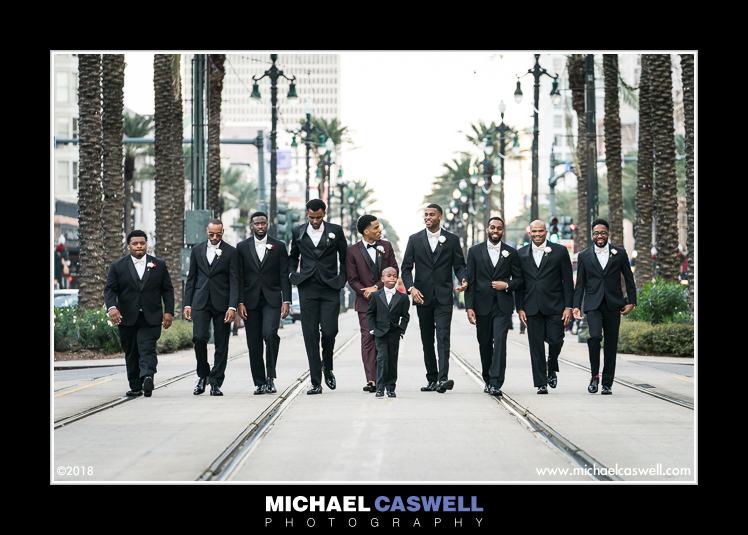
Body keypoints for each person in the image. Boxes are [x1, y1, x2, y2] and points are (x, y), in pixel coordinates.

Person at [401, 203, 468, 394]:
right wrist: (411, 288)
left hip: (444, 296)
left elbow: (460, 265)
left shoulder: (452, 240)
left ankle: (443, 378)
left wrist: (464, 279)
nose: (427, 217)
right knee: (427, 339)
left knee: (443, 337)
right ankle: (431, 378)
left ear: (440, 216)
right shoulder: (414, 239)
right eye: (426, 215)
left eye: (431, 214)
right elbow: (406, 268)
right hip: (422, 297)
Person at [105, 230, 174, 398]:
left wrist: (169, 312)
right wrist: (112, 308)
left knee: (147, 347)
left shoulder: (159, 265)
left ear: (146, 244)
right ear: (128, 246)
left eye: (142, 243)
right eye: (135, 244)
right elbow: (110, 290)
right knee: (131, 351)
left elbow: (167, 290)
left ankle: (148, 376)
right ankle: (135, 386)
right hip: (127, 317)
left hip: (151, 317)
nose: (139, 246)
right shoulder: (117, 266)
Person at [289, 199, 348, 395]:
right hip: (307, 288)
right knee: (310, 335)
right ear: (307, 214)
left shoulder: (336, 230)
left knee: (330, 331)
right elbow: (293, 256)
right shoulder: (297, 231)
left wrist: (342, 279)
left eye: (319, 217)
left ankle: (328, 366)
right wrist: (292, 275)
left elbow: (345, 257)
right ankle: (315, 381)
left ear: (324, 213)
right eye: (312, 217)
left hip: (330, 287)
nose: (315, 221)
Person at [573, 218, 637, 395]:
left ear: (608, 234)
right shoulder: (584, 255)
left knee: (611, 344)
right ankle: (594, 376)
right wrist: (575, 306)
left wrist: (631, 301)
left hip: (613, 304)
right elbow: (580, 284)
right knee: (594, 337)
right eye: (596, 233)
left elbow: (629, 279)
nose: (599, 236)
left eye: (602, 232)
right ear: (592, 235)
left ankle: (607, 383)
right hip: (593, 304)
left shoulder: (620, 253)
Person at [465, 217, 522, 397]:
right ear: (487, 229)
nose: (496, 231)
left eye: (499, 228)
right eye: (492, 228)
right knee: (484, 344)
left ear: (503, 231)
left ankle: (496, 382)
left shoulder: (511, 253)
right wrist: (469, 306)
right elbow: (470, 281)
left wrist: (506, 285)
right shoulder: (474, 251)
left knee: (500, 342)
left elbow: (520, 279)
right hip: (481, 305)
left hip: (503, 306)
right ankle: (487, 379)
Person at [515, 220, 574, 394]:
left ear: (546, 232)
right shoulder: (521, 254)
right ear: (529, 233)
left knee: (556, 340)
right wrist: (520, 307)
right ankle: (541, 383)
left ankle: (552, 363)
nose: (538, 234)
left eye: (541, 231)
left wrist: (568, 306)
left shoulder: (560, 251)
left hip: (556, 305)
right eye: (534, 231)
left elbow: (567, 282)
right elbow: (519, 284)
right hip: (531, 307)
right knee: (536, 346)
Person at [237, 212, 291, 395]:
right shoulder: (242, 247)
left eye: (263, 223)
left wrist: (286, 300)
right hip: (250, 301)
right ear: (251, 225)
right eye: (257, 224)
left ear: (268, 224)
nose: (260, 227)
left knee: (269, 334)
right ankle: (259, 382)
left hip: (272, 299)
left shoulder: (279, 246)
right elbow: (239, 276)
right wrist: (240, 301)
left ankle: (271, 377)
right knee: (254, 343)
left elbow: (285, 275)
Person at [183, 219, 238, 396]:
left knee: (221, 344)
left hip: (222, 304)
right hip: (200, 302)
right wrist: (187, 303)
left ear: (223, 232)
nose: (214, 237)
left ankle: (216, 382)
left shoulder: (231, 252)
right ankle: (203, 375)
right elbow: (191, 278)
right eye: (211, 234)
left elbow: (234, 281)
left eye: (218, 234)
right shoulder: (197, 250)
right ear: (207, 231)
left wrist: (232, 306)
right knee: (199, 338)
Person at [345, 214, 399, 393]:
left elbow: (393, 271)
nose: (379, 230)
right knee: (368, 339)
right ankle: (371, 380)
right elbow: (352, 279)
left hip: (386, 302)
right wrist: (366, 292)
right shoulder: (352, 251)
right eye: (375, 227)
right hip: (365, 303)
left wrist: (376, 287)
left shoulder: (386, 246)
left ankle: (384, 378)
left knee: (383, 340)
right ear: (366, 231)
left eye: (379, 226)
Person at [366, 267, 410, 398]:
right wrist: (373, 329)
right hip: (380, 333)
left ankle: (391, 387)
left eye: (394, 276)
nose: (392, 278)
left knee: (392, 360)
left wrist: (401, 329)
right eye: (389, 275)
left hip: (394, 334)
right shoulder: (375, 296)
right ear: (382, 278)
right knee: (382, 358)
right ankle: (380, 388)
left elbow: (405, 316)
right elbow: (370, 314)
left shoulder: (402, 298)